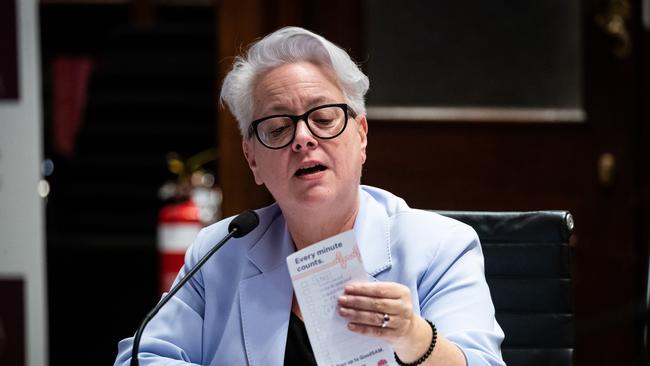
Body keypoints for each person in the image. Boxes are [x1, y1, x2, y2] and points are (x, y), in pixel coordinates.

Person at [114, 26, 504, 366]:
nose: (303, 138)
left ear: (361, 135)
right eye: (279, 127)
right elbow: (142, 357)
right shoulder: (221, 251)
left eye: (323, 118)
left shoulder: (440, 247)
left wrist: (415, 338)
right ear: (252, 158)